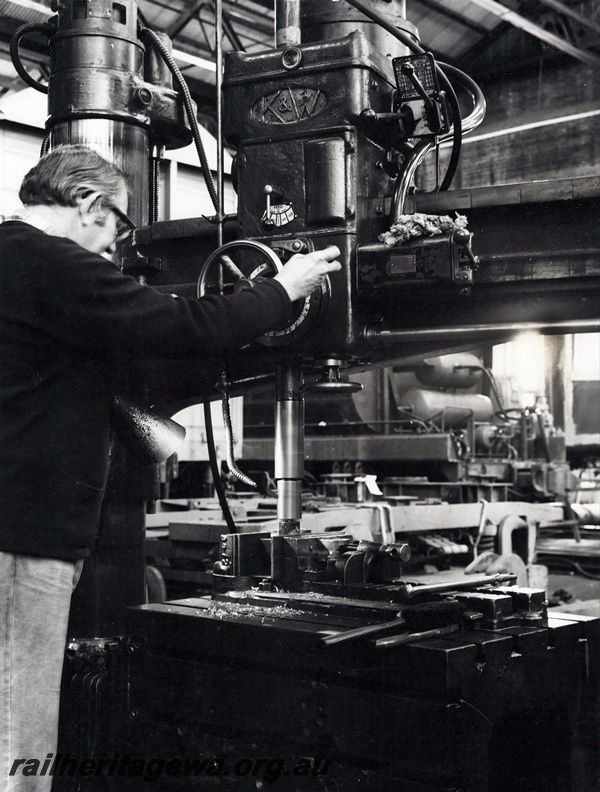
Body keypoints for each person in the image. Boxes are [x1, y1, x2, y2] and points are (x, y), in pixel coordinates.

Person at [0, 144, 341, 791]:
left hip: (16, 525)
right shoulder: (48, 260)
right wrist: (282, 290)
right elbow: (183, 324)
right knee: (20, 733)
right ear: (88, 203)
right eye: (119, 226)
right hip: (24, 537)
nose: (116, 246)